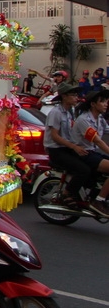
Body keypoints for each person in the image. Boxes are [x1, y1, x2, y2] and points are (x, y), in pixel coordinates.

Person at [45, 82, 92, 209]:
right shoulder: (56, 112)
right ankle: (67, 194)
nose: (76, 97)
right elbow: (55, 136)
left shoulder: (70, 112)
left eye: (77, 95)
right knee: (83, 170)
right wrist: (74, 147)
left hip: (66, 148)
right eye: (73, 95)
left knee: (91, 162)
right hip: (57, 151)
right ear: (64, 96)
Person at [69, 89, 109, 217]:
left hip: (92, 153)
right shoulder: (84, 120)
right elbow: (97, 141)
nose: (106, 104)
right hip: (82, 154)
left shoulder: (100, 118)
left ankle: (97, 193)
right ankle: (99, 201)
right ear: (93, 104)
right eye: (102, 102)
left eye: (106, 101)